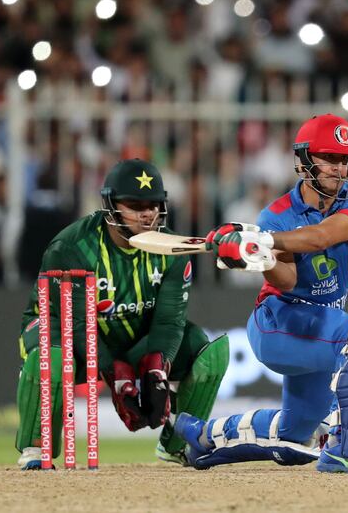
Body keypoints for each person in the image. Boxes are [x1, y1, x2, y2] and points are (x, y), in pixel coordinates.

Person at [174, 114, 348, 473]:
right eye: (328, 158)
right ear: (303, 160)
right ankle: (347, 449)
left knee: (295, 433)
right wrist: (255, 258)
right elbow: (286, 281)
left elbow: (324, 236)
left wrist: (260, 241)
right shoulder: (275, 215)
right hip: (280, 323)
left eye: (344, 160)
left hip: (321, 328)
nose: (338, 168)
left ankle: (203, 437)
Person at [15, 159, 228, 469]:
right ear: (111, 205)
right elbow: (74, 324)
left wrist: (156, 367)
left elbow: (169, 321)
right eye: (134, 204)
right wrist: (113, 373)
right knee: (53, 354)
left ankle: (177, 446)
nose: (147, 213)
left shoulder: (174, 251)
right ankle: (36, 448)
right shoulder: (72, 247)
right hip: (62, 332)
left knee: (207, 350)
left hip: (128, 336)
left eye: (153, 204)